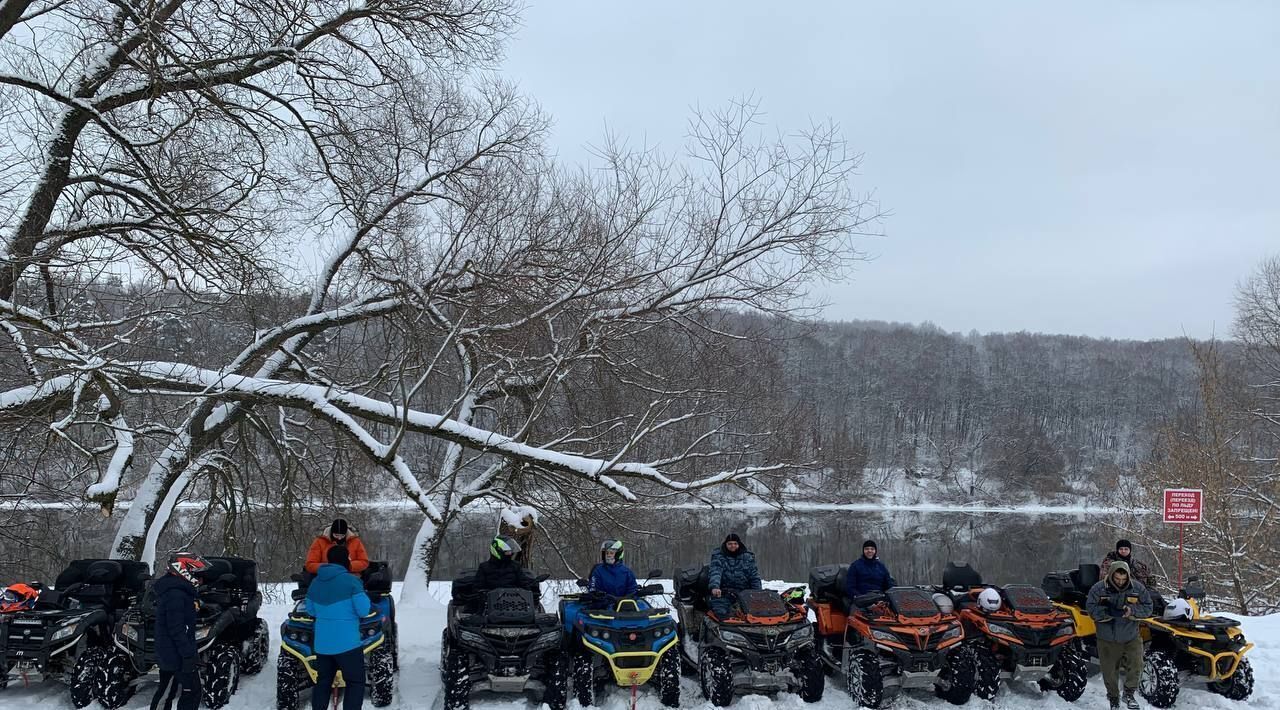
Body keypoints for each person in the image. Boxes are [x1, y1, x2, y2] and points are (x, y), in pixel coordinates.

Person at [306, 546, 372, 710]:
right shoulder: (352, 582)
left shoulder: (315, 582)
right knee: (355, 682)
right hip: (348, 645)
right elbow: (364, 610)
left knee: (322, 683)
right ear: (346, 560)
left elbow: (310, 610)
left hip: (322, 645)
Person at [1086, 560, 1153, 710]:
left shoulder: (1137, 588)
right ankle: (1114, 698)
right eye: (1117, 578)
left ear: (1128, 576)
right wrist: (1107, 612)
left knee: (1136, 665)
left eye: (1123, 579)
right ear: (1111, 575)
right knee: (1109, 672)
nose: (1120, 582)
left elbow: (1148, 607)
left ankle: (1129, 694)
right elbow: (1090, 608)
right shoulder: (1098, 589)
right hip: (1107, 638)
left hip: (1131, 635)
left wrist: (1132, 611)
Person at [151, 552, 210, 710]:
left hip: (172, 651)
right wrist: (188, 654)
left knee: (167, 691)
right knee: (191, 692)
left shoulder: (179, 591)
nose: (200, 579)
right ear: (184, 571)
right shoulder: (176, 594)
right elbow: (176, 628)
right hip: (175, 654)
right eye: (197, 575)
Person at [707, 533, 762, 618]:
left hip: (744, 592)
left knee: (759, 612)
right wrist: (715, 586)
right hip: (725, 592)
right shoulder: (719, 556)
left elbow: (754, 576)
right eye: (730, 544)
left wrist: (758, 592)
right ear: (726, 544)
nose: (733, 546)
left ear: (739, 544)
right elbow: (715, 572)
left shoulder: (747, 557)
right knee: (720, 612)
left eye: (735, 543)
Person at [473, 535, 539, 593]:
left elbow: (524, 584)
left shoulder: (515, 566)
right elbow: (478, 588)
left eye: (510, 552)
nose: (510, 554)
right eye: (507, 552)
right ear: (498, 551)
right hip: (490, 603)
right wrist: (484, 594)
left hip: (515, 602)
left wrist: (532, 589)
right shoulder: (484, 567)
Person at [305, 518, 370, 574]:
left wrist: (349, 566)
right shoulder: (319, 542)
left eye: (342, 536)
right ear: (331, 533)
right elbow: (310, 564)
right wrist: (329, 567)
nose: (339, 538)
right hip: (327, 575)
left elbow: (364, 562)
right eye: (336, 535)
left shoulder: (355, 542)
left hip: (350, 575)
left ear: (346, 533)